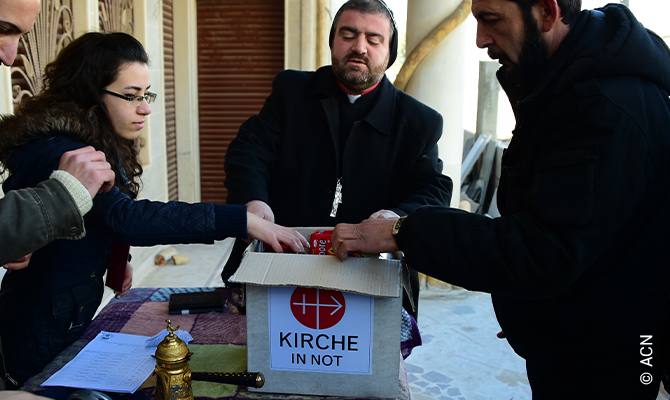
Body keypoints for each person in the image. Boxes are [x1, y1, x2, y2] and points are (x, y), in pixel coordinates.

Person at [332, 0, 670, 398]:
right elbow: (570, 227)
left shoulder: (604, 106)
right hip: (570, 331)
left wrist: (404, 230)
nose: (479, 39)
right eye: (476, 19)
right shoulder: (564, 81)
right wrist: (531, 310)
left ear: (547, 12)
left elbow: (543, 251)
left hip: (618, 349)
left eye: (491, 20)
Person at [0, 31, 308, 388]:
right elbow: (126, 217)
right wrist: (241, 220)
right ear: (88, 94)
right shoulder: (58, 151)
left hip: (64, 316)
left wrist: (114, 257)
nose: (145, 107)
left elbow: (100, 216)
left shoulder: (95, 136)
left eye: (146, 95)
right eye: (131, 97)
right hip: (35, 327)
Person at [223, 0, 453, 318]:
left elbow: (433, 190)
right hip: (281, 260)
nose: (359, 47)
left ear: (390, 52)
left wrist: (394, 219)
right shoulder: (291, 92)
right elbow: (250, 149)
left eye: (374, 39)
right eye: (348, 34)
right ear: (332, 40)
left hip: (370, 275)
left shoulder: (418, 122)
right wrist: (252, 200)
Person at [0, 0, 116, 269]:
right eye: (3, 28)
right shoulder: (51, 149)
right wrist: (63, 196)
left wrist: (15, 235)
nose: (9, 57)